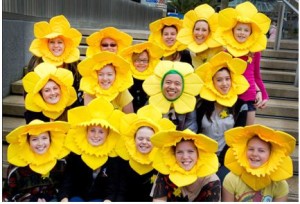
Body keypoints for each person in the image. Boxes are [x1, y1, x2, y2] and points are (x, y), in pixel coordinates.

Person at [195, 51, 249, 182]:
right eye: (219, 80)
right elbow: (196, 132)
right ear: (212, 82)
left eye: (227, 79)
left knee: (221, 179)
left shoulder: (241, 106)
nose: (224, 83)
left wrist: (219, 161)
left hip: (227, 158)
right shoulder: (202, 104)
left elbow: (237, 138)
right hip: (202, 156)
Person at [58, 97, 124, 202]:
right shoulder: (77, 152)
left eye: (101, 132)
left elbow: (113, 186)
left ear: (108, 135)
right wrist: (64, 198)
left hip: (99, 198)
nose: (96, 135)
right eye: (92, 130)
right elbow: (68, 180)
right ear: (86, 131)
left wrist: (108, 200)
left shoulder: (113, 156)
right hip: (77, 196)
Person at [217, 1, 271, 125]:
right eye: (239, 29)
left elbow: (256, 75)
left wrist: (263, 94)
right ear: (233, 30)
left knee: (245, 134)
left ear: (251, 33)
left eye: (246, 30)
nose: (242, 32)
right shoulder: (226, 51)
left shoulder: (255, 52)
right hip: (230, 96)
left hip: (249, 96)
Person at [115, 105, 175, 201]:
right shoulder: (123, 160)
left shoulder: (161, 163)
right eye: (140, 138)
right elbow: (121, 191)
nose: (144, 142)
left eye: (149, 139)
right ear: (134, 139)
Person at [222, 124, 296, 202]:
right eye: (251, 149)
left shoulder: (280, 185)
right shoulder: (231, 179)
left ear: (271, 154)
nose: (254, 154)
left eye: (261, 150)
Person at [2, 119, 70, 202]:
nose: (40, 143)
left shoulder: (60, 163)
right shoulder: (17, 168)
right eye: (34, 139)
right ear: (28, 142)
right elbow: (7, 195)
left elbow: (65, 187)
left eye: (44, 138)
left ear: (50, 139)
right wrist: (30, 200)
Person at [150, 129, 221, 202]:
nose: (185, 156)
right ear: (174, 154)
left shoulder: (211, 180)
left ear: (198, 153)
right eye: (180, 152)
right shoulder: (165, 172)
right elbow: (158, 201)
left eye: (190, 151)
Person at [27, 15, 83, 106]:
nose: (56, 46)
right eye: (52, 42)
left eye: (60, 42)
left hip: (68, 108)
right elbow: (30, 87)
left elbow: (77, 89)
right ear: (46, 44)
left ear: (65, 44)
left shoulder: (74, 63)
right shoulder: (36, 61)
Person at [143, 60, 203, 132]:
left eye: (177, 83)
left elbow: (191, 130)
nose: (172, 86)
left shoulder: (189, 106)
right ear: (161, 84)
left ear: (183, 87)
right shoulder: (151, 103)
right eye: (168, 82)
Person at [120, 41, 164, 112]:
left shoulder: (155, 77)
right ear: (132, 61)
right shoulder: (126, 77)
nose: (141, 63)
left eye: (144, 60)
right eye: (137, 60)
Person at [177, 4, 223, 68]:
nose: (199, 33)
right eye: (197, 29)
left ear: (209, 32)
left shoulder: (219, 50)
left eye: (204, 30)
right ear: (192, 31)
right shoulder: (184, 52)